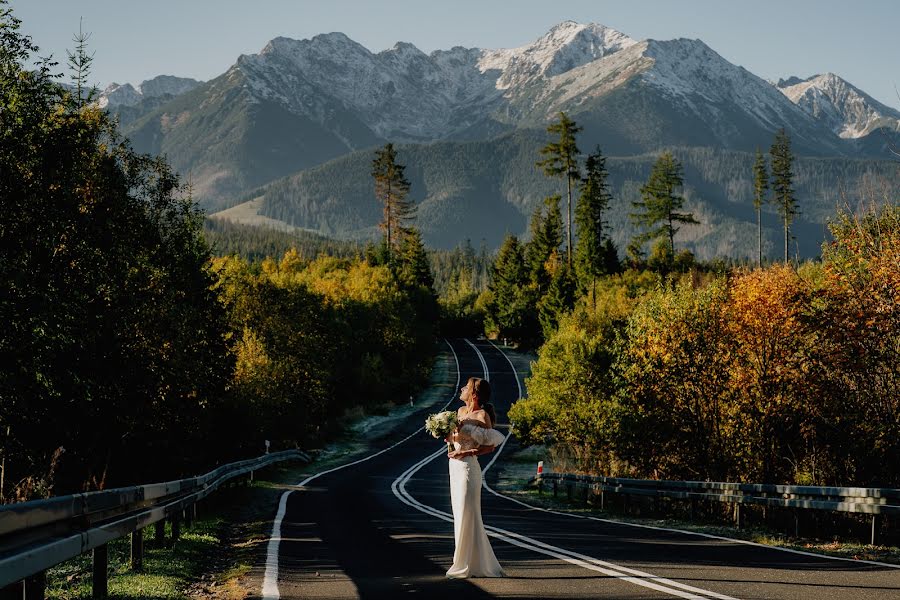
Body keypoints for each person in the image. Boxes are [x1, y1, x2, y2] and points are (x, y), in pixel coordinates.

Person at [444, 377, 505, 578]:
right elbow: (455, 440)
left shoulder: (482, 415)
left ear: (474, 394)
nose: (461, 389)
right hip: (454, 468)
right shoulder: (459, 412)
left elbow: (489, 445)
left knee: (469, 514)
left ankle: (464, 565)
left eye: (466, 387)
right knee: (460, 515)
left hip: (469, 469)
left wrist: (467, 453)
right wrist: (447, 438)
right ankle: (469, 562)